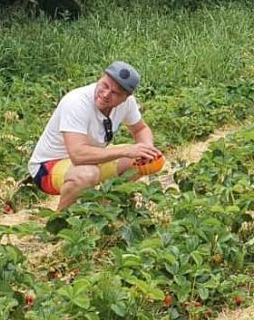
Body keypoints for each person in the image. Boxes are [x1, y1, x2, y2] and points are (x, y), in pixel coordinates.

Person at [28, 62, 164, 211]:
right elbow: (78, 155)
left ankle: (105, 211)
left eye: (115, 93)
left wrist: (147, 150)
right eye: (105, 85)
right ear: (100, 77)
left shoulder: (127, 103)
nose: (106, 94)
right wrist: (125, 150)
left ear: (126, 97)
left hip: (91, 160)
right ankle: (59, 224)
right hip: (48, 168)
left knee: (146, 161)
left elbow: (140, 130)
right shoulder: (76, 102)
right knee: (88, 173)